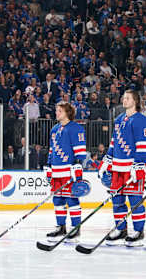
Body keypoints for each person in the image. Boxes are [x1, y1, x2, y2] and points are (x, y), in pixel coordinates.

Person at [98, 90, 146, 247]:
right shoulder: (119, 119)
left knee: (135, 199)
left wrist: (139, 166)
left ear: (135, 100)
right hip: (117, 167)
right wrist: (106, 161)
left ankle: (138, 231)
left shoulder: (141, 120)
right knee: (117, 200)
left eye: (127, 97)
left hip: (132, 168)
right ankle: (121, 229)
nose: (124, 99)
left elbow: (144, 146)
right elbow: (114, 143)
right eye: (123, 97)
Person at [44, 102, 87, 243]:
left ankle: (75, 228)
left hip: (69, 170)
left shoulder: (76, 129)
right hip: (56, 171)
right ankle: (60, 227)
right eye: (56, 110)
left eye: (59, 111)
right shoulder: (54, 129)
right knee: (57, 199)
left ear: (67, 113)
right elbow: (52, 150)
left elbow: (80, 151)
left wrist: (78, 166)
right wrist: (49, 166)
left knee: (71, 199)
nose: (56, 113)